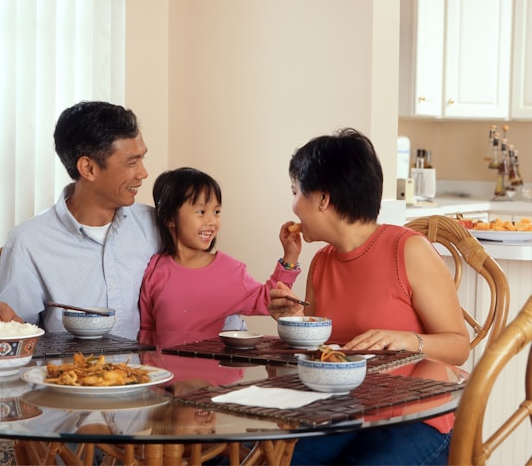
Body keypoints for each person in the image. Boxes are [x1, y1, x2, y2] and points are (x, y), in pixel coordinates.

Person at [267, 128, 470, 465]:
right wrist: (292, 321)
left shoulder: (408, 250)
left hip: (417, 412)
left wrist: (406, 339)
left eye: (296, 192)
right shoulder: (320, 263)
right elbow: (323, 353)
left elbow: (459, 346)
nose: (293, 206)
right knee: (275, 459)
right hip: (346, 411)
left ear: (323, 199)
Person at [0, 101, 161, 339]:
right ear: (88, 168)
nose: (143, 173)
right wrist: (1, 324)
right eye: (131, 163)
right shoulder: (30, 241)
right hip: (65, 374)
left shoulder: (156, 226)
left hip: (149, 375)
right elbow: (10, 332)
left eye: (142, 159)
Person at [138, 167, 302, 348]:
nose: (212, 221)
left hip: (215, 373)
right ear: (169, 218)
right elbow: (147, 329)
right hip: (166, 373)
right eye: (201, 212)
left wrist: (290, 257)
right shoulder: (155, 268)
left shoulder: (230, 270)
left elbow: (269, 299)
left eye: (216, 212)